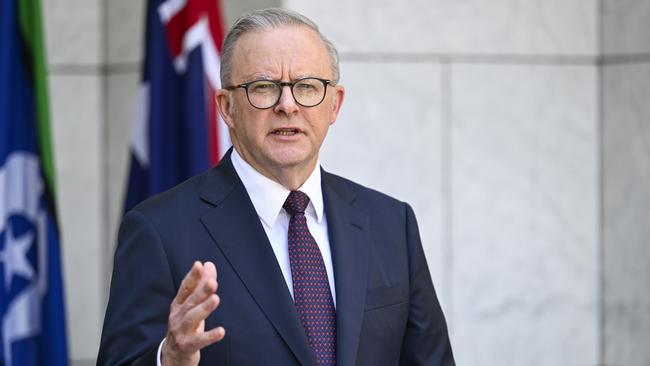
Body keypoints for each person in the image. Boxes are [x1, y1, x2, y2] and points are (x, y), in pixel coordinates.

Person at [98, 8, 455, 366]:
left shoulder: (392, 224)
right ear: (227, 107)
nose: (288, 105)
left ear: (335, 104)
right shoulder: (158, 231)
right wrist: (169, 359)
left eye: (307, 87)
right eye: (264, 88)